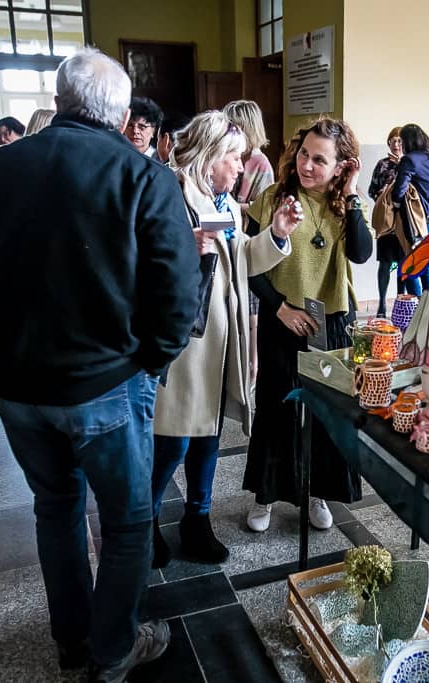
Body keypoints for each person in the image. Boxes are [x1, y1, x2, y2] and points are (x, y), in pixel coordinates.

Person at [0, 48, 200, 682]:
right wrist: (149, 363)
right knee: (128, 522)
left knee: (55, 508)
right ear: (123, 116)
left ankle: (73, 641)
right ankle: (112, 651)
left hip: (17, 386)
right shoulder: (142, 175)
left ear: (58, 103)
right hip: (107, 383)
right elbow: (178, 296)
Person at [150, 110, 298, 567]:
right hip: (183, 345)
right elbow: (140, 259)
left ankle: (197, 519)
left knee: (208, 437)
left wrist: (276, 234)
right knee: (172, 439)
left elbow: (241, 258)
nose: (240, 166)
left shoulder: (225, 204)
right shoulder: (171, 194)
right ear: (209, 156)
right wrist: (182, 246)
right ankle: (143, 522)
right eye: (233, 157)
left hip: (219, 342)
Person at [243, 118, 373, 532]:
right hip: (282, 316)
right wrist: (279, 308)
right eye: (304, 154)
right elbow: (248, 263)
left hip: (329, 320)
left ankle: (317, 492)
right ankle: (266, 494)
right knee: (276, 407)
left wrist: (351, 193)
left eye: (320, 160)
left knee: (324, 410)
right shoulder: (273, 198)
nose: (307, 165)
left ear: (340, 167)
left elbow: (361, 253)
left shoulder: (344, 206)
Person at [224, 99, 276, 386]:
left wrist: (235, 205)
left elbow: (262, 208)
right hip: (229, 237)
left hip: (249, 240)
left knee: (252, 311)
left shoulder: (260, 163)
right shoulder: (233, 155)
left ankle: (253, 366)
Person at [392, 123, 429, 292]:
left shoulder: (409, 160)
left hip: (418, 219)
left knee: (409, 265)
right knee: (426, 263)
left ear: (407, 141)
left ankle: (415, 303)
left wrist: (395, 205)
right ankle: (428, 302)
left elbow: (399, 190)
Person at [368, 126, 408, 315]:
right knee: (384, 262)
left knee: (403, 263)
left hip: (404, 220)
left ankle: (401, 302)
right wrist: (382, 194)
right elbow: (371, 190)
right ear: (389, 143)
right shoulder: (382, 164)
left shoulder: (408, 163)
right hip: (386, 220)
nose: (396, 144)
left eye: (400, 141)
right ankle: (382, 304)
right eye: (393, 141)